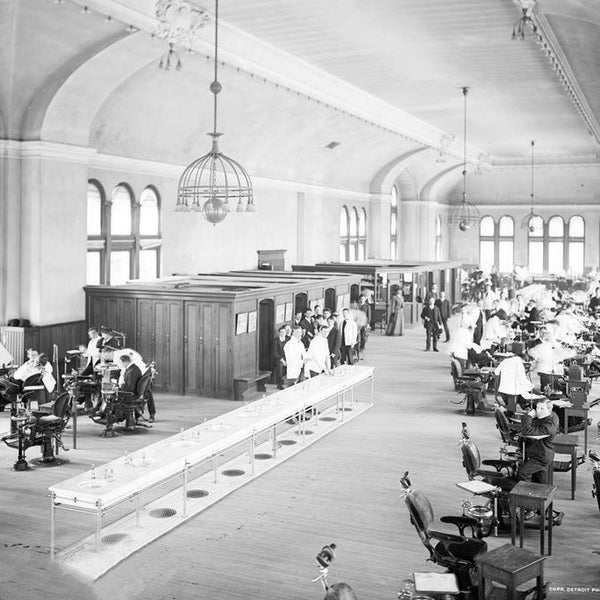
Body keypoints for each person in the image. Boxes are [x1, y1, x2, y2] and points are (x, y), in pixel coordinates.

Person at [518, 398, 559, 483]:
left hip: (541, 456)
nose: (538, 411)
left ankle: (526, 494)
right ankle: (536, 492)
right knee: (539, 480)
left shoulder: (549, 426)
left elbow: (526, 431)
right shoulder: (551, 415)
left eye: (542, 409)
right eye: (537, 408)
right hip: (539, 451)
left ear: (549, 409)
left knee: (523, 473)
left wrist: (528, 416)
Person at [528, 328, 576, 392]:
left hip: (556, 371)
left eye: (547, 333)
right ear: (540, 333)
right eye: (544, 333)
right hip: (545, 371)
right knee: (546, 389)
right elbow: (532, 353)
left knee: (556, 388)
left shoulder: (556, 345)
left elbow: (569, 353)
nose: (546, 335)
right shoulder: (541, 346)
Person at [494, 342, 533, 415]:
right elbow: (522, 379)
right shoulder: (519, 364)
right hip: (512, 392)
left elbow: (496, 372)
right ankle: (509, 423)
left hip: (503, 390)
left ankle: (504, 419)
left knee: (507, 408)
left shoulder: (505, 361)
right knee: (511, 411)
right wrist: (531, 386)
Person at [271, 325, 287, 389]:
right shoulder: (276, 341)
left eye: (284, 332)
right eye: (281, 332)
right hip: (279, 359)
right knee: (280, 366)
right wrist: (282, 360)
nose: (283, 333)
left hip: (287, 358)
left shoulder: (288, 340)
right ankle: (279, 384)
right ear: (279, 333)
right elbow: (274, 353)